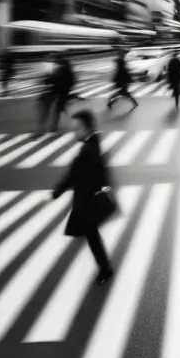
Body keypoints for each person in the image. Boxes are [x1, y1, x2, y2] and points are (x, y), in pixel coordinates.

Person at [49, 110, 114, 285]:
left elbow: (72, 175)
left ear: (85, 129)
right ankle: (105, 268)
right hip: (89, 199)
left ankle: (105, 270)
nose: (73, 132)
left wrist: (56, 193)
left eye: (76, 128)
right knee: (90, 233)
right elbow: (100, 169)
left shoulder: (86, 151)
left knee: (92, 235)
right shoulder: (94, 142)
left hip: (87, 202)